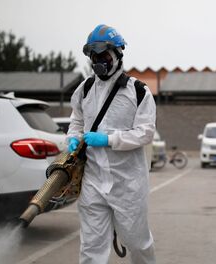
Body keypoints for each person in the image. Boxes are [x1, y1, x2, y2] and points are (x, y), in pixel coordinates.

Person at [67, 24, 157, 264]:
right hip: (93, 181)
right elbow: (76, 120)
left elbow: (145, 133)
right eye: (94, 56)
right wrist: (72, 138)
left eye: (104, 55)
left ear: (118, 53)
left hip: (127, 184)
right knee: (91, 246)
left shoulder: (138, 91)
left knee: (138, 242)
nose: (99, 61)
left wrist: (109, 139)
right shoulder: (84, 89)